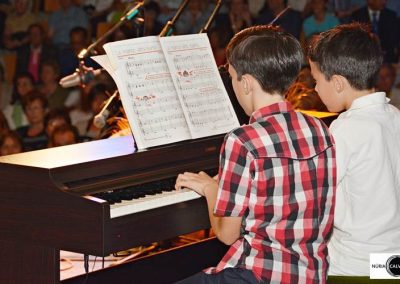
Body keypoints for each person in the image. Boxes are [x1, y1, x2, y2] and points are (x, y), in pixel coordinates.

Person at [175, 25, 336, 284]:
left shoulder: (243, 140)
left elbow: (227, 235)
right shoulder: (320, 130)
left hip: (260, 275)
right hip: (311, 274)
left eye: (232, 77)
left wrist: (210, 187)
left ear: (247, 82)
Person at [308, 22, 400, 276]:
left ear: (337, 82)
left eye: (316, 80)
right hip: (392, 264)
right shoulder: (395, 116)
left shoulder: (345, 128)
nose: (315, 89)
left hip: (354, 266)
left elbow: (315, 192)